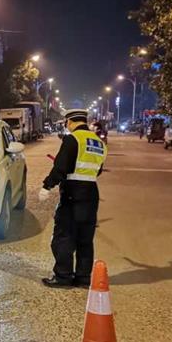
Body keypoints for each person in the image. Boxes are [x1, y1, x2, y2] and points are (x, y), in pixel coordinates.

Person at [39, 108, 107, 289]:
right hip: (91, 193)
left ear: (70, 121)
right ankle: (83, 278)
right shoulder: (99, 142)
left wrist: (47, 186)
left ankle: (63, 276)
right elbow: (98, 170)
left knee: (64, 236)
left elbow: (61, 167)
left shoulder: (72, 139)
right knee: (85, 238)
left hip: (72, 193)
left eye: (66, 123)